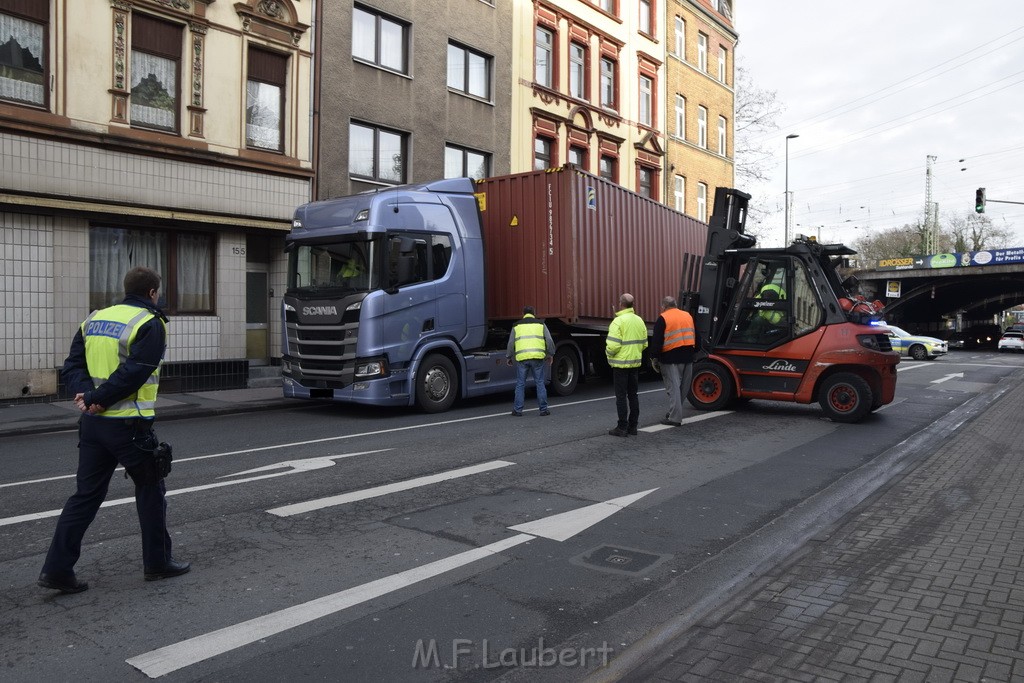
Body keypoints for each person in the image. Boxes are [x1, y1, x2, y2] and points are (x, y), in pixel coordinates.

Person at [38, 266, 189, 593]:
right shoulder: (150, 322)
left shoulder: (93, 319)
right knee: (151, 490)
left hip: (93, 426)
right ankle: (158, 563)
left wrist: (86, 397)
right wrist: (96, 398)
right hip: (129, 425)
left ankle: (57, 569)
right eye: (158, 293)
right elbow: (136, 372)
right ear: (152, 292)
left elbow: (72, 366)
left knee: (85, 496)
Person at [606, 293, 648, 437]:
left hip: (620, 365)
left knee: (621, 397)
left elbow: (612, 347)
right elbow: (644, 343)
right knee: (633, 395)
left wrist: (608, 353)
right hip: (634, 364)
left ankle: (622, 427)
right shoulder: (639, 321)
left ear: (620, 304)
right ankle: (633, 427)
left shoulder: (618, 322)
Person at [651, 295, 697, 427]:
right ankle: (675, 411)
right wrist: (695, 351)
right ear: (676, 305)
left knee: (673, 387)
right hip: (688, 356)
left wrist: (655, 357)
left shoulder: (663, 318)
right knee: (683, 387)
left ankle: (674, 418)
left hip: (670, 358)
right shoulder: (687, 316)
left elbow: (657, 340)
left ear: (664, 306)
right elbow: (696, 334)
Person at [506, 306, 555, 416]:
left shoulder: (516, 326)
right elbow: (549, 340)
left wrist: (509, 357)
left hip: (522, 359)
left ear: (522, 313)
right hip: (537, 358)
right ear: (534, 313)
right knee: (540, 383)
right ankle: (543, 409)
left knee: (520, 384)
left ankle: (518, 410)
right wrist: (550, 354)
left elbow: (510, 343)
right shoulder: (541, 324)